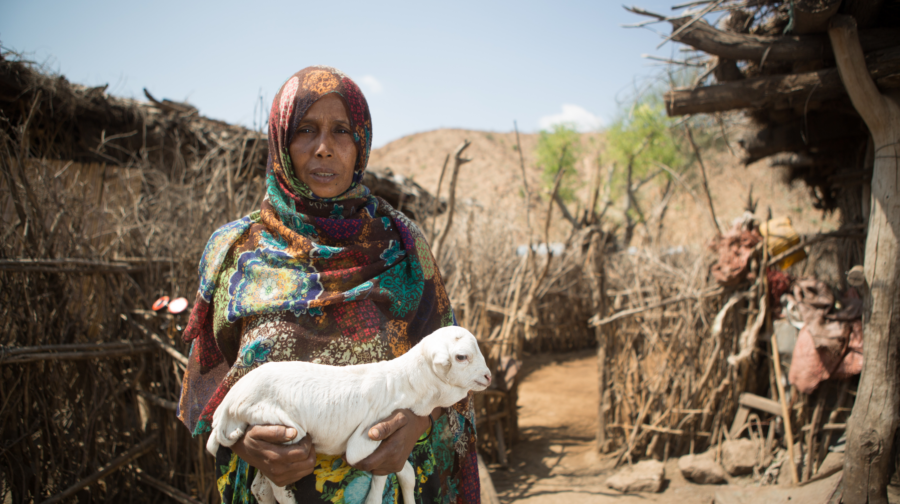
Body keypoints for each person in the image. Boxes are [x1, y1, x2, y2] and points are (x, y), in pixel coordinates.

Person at [176, 66, 480, 504]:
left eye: (341, 131)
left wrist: (418, 425)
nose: (324, 148)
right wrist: (245, 442)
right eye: (305, 130)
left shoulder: (402, 247)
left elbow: (456, 376)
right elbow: (205, 393)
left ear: (361, 145)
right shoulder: (237, 253)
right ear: (281, 142)